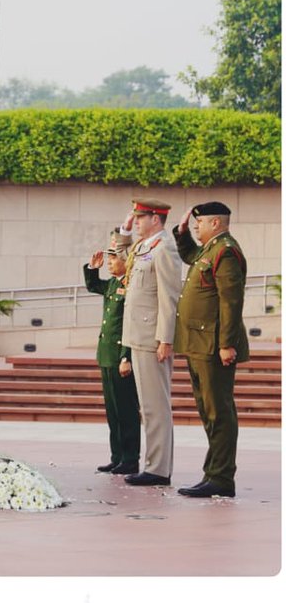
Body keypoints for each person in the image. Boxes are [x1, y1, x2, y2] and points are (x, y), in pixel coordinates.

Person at [172, 201, 250, 498]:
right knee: (208, 410)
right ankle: (213, 473)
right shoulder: (210, 249)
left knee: (219, 411)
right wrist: (181, 235)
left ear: (215, 223)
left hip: (213, 345)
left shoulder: (226, 251)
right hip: (199, 344)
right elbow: (191, 255)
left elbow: (231, 301)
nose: (196, 227)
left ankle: (221, 478)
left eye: (199, 223)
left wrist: (227, 344)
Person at [119, 198, 183, 487]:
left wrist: (165, 339)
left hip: (151, 337)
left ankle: (157, 469)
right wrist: (124, 230)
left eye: (140, 217)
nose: (137, 222)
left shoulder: (165, 247)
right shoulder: (144, 246)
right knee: (148, 406)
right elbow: (122, 264)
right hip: (138, 336)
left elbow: (169, 297)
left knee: (156, 406)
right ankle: (154, 465)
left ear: (155, 218)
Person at [84, 229, 139, 474]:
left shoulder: (132, 285)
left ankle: (130, 458)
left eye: (113, 258)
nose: (109, 263)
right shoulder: (114, 284)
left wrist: (126, 356)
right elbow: (93, 285)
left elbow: (131, 323)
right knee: (112, 411)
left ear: (126, 260)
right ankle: (117, 456)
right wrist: (92, 268)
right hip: (106, 355)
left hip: (120, 357)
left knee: (126, 410)